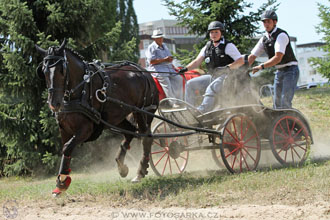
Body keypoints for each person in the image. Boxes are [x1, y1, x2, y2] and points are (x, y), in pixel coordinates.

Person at [179, 21, 244, 113]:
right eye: (211, 32)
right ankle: (189, 111)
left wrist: (227, 67)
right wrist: (185, 69)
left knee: (211, 88)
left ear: (221, 32)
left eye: (216, 32)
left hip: (227, 77)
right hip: (212, 76)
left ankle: (202, 111)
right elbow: (197, 61)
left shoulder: (228, 46)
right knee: (190, 84)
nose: (214, 34)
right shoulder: (207, 46)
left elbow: (240, 61)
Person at [248, 10, 299, 109]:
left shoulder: (281, 35)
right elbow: (252, 56)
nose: (266, 24)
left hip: (290, 70)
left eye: (268, 21)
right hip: (279, 71)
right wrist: (242, 69)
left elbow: (277, 58)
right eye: (264, 22)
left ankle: (289, 122)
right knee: (276, 103)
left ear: (275, 22)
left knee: (285, 102)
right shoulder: (264, 39)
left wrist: (261, 66)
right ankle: (280, 123)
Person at [146, 29, 183, 103]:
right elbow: (151, 61)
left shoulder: (164, 46)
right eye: (158, 38)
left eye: (161, 37)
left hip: (169, 68)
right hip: (158, 70)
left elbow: (168, 57)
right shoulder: (151, 47)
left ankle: (179, 100)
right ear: (154, 39)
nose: (160, 39)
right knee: (167, 83)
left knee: (179, 79)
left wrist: (171, 62)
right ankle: (173, 103)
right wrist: (164, 60)